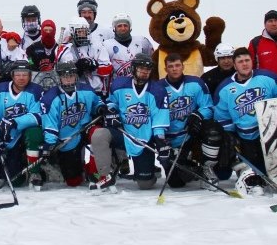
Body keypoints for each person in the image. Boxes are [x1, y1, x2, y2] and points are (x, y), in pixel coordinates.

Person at [213, 47, 277, 195]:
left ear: (252, 61)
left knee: (274, 170)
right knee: (257, 178)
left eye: (247, 60)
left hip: (271, 133)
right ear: (235, 65)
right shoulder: (225, 88)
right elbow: (221, 116)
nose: (245, 64)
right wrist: (230, 135)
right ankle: (251, 174)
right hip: (245, 137)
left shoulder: (268, 77)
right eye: (240, 61)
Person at [98, 53, 169, 190]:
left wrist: (160, 140)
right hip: (123, 133)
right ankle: (104, 175)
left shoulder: (158, 90)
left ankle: (147, 171)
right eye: (141, 68)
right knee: (99, 135)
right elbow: (112, 103)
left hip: (145, 138)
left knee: (145, 184)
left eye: (147, 69)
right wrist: (112, 112)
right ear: (133, 69)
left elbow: (160, 119)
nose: (144, 72)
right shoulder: (119, 84)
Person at [41, 60, 110, 189]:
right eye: (65, 76)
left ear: (76, 76)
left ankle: (96, 171)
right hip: (67, 138)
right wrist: (50, 143)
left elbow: (97, 102)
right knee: (74, 181)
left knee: (99, 135)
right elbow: (50, 124)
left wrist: (100, 107)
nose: (68, 79)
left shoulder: (86, 90)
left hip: (86, 128)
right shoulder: (50, 98)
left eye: (71, 76)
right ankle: (81, 169)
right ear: (59, 78)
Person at [151, 53, 216, 189]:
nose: (174, 69)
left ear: (182, 66)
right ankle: (191, 167)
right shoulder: (158, 88)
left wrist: (198, 115)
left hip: (190, 134)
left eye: (177, 65)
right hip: (170, 140)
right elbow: (154, 116)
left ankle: (206, 168)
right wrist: (161, 140)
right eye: (170, 66)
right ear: (165, 69)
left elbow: (208, 107)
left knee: (211, 130)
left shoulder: (196, 83)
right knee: (176, 183)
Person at [0, 59, 44, 187]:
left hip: (26, 134)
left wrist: (15, 122)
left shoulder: (36, 90)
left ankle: (35, 171)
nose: (21, 78)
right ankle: (20, 164)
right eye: (18, 74)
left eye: (25, 74)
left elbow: (38, 116)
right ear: (12, 75)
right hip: (8, 138)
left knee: (34, 132)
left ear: (30, 76)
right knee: (15, 181)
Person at [57, 20, 111, 97]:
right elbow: (64, 65)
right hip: (76, 92)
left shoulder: (97, 46)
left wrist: (93, 65)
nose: (82, 35)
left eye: (84, 32)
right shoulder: (68, 48)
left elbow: (107, 69)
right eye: (79, 32)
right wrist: (77, 67)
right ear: (73, 32)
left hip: (96, 91)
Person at [103, 13, 154, 86]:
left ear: (130, 27)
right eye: (119, 26)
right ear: (114, 28)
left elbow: (151, 61)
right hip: (119, 87)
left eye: (125, 25)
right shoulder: (106, 45)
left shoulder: (142, 41)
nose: (123, 28)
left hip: (141, 84)